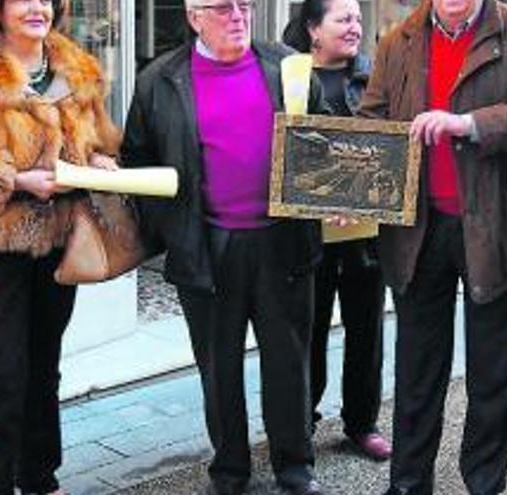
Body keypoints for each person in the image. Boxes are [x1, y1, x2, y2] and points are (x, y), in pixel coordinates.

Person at [359, 0, 507, 492]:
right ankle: (409, 484)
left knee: (493, 375)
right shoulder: (398, 41)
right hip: (418, 230)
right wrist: (357, 189)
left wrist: (470, 124)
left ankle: (483, 484)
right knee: (416, 373)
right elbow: (373, 123)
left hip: (496, 228)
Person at [120, 0, 329, 494]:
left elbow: (324, 137)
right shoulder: (160, 80)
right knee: (219, 366)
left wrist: (331, 195)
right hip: (207, 245)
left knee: (288, 360)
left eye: (244, 5)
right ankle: (230, 468)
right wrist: (171, 227)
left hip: (282, 241)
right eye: (223, 7)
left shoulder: (288, 67)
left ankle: (295, 465)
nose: (238, 15)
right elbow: (136, 157)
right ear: (194, 17)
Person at [0, 0, 121, 493]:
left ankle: (39, 475)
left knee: (44, 363)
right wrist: (16, 181)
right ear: (0, 7)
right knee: (5, 371)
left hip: (59, 238)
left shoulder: (76, 66)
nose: (38, 7)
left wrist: (98, 160)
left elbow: (98, 139)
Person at [282, 0, 392, 462]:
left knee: (367, 329)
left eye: (358, 21)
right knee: (306, 329)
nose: (355, 28)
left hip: (364, 230)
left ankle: (362, 423)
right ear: (313, 28)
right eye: (343, 19)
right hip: (306, 234)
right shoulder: (284, 75)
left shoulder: (375, 77)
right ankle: (300, 422)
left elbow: (390, 145)